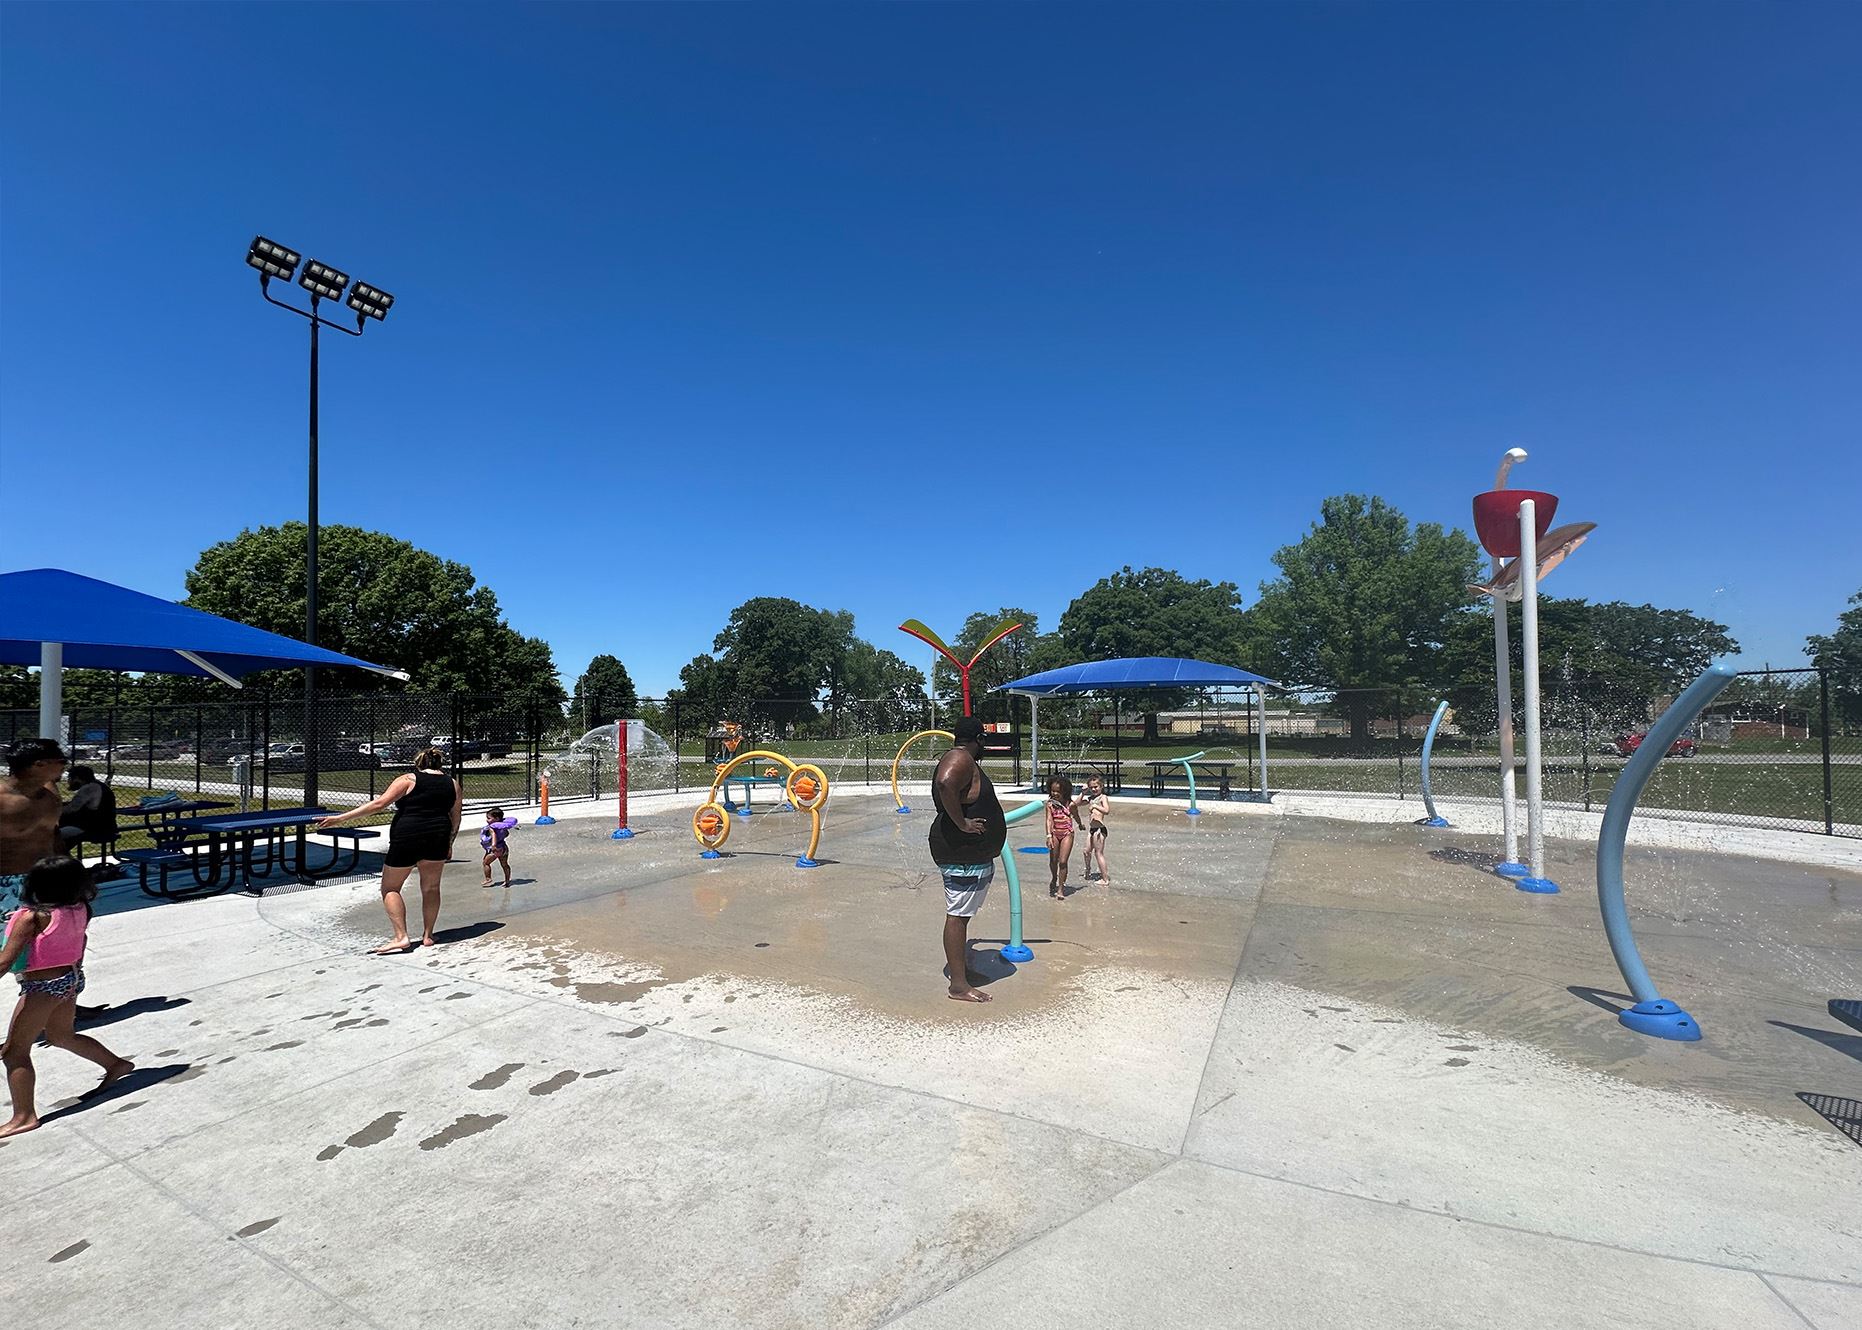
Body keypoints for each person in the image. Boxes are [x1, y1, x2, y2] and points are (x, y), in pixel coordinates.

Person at [2, 855, 134, 1137]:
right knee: (62, 1037)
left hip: (42, 988)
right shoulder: (80, 908)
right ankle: (116, 1064)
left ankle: (24, 1116)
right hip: (70, 979)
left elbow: (5, 961)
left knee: (14, 1052)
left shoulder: (30, 917)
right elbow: (80, 941)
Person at [317, 747, 461, 954]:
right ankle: (428, 935)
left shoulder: (408, 780)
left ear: (418, 763)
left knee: (390, 888)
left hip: (407, 836)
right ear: (439, 763)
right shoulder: (453, 784)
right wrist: (450, 842)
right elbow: (456, 816)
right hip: (438, 835)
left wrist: (339, 818)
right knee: (431, 888)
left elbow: (379, 804)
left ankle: (401, 937)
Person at [928, 716, 1007, 1004]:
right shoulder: (960, 758)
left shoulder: (962, 758)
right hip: (961, 855)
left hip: (968, 856)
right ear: (979, 739)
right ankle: (958, 986)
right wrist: (962, 823)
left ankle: (961, 966)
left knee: (962, 915)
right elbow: (946, 783)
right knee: (958, 916)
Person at [2, 739, 70, 923]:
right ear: (39, 764)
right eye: (62, 761)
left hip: (49, 880)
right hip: (8, 884)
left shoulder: (51, 794)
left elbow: (55, 835)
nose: (66, 766)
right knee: (9, 946)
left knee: (50, 943)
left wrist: (71, 871)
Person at [58, 765, 118, 860]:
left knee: (53, 835)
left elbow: (71, 809)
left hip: (95, 828)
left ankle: (65, 864)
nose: (68, 781)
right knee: (60, 840)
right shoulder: (98, 785)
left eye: (70, 778)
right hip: (101, 826)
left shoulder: (89, 788)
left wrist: (52, 810)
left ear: (77, 778)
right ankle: (64, 861)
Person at [1074, 775, 1111, 884]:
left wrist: (1095, 806)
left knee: (1098, 853)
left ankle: (1105, 879)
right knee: (1086, 851)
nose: (1094, 789)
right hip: (1092, 830)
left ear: (1101, 786)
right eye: (1091, 787)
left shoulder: (1103, 797)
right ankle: (1088, 870)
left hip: (1100, 829)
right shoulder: (1091, 798)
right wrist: (1083, 793)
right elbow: (1075, 804)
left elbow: (1107, 810)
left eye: (1096, 787)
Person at [1044, 774, 1075, 899]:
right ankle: (1054, 877)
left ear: (1065, 791)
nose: (1055, 793)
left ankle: (1061, 888)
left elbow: (1076, 815)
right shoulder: (1050, 804)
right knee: (1053, 861)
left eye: (1058, 791)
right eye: (1053, 791)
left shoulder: (1070, 804)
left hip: (1067, 833)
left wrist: (1081, 824)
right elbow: (1048, 820)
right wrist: (1048, 836)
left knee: (1063, 862)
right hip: (1055, 833)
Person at [480, 807, 517, 888]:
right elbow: (506, 834)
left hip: (495, 849)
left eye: (489, 818)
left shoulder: (492, 827)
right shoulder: (503, 827)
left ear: (496, 818)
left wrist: (493, 846)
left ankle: (488, 879)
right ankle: (507, 881)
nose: (487, 820)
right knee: (504, 864)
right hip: (504, 847)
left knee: (486, 863)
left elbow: (494, 835)